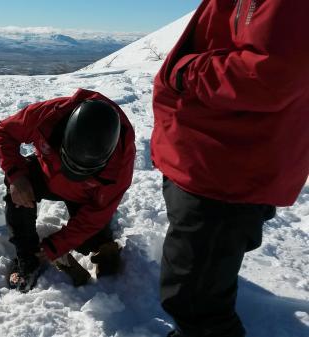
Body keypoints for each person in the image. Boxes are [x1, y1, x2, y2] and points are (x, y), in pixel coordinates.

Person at [151, 1, 309, 336]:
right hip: (209, 159)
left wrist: (185, 71)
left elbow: (270, 73)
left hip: (224, 168)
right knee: (197, 286)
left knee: (194, 301)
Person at [0, 89, 135, 293]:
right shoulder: (49, 114)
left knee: (90, 236)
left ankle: (103, 243)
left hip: (85, 196)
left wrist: (55, 247)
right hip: (46, 173)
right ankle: (27, 258)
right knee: (19, 193)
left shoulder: (120, 166)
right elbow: (5, 132)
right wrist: (17, 176)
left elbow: (94, 214)